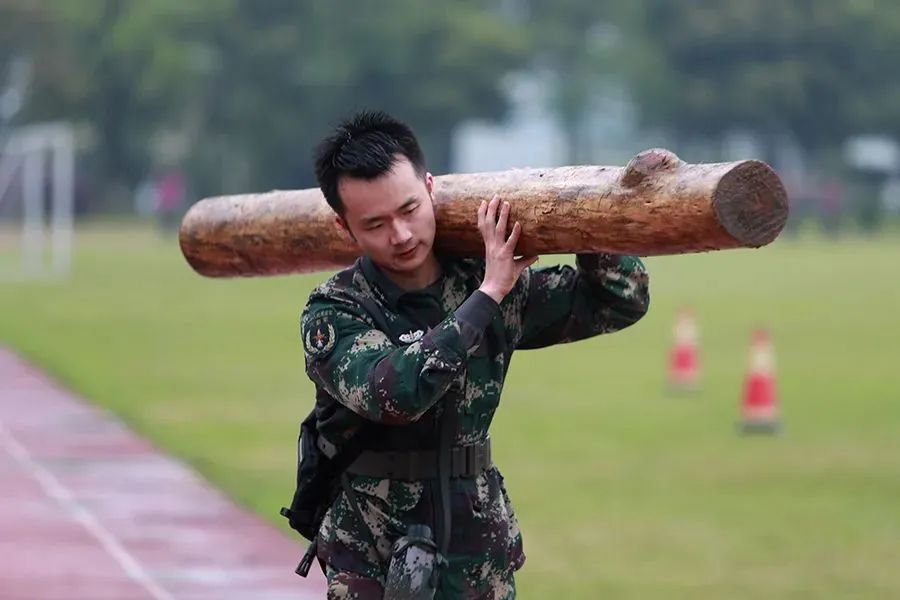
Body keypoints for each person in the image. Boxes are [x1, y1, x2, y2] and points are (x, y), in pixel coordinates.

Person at [299, 110, 650, 599]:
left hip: (476, 539)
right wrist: (488, 295)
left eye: (408, 209)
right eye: (375, 224)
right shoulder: (335, 310)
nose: (400, 235)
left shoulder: (485, 281)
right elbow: (395, 394)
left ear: (430, 187)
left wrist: (582, 222)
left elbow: (618, 302)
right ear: (344, 227)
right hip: (373, 542)